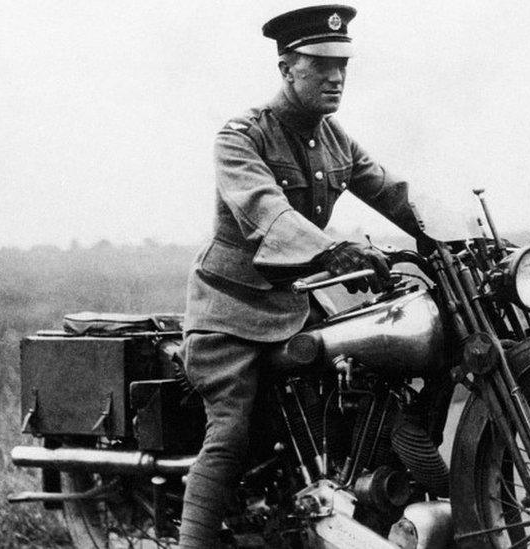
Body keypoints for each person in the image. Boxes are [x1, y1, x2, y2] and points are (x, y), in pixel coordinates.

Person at [180, 5, 426, 546]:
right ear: (287, 69)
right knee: (229, 434)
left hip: (295, 305)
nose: (335, 77)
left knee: (362, 384)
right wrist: (333, 250)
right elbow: (268, 211)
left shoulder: (333, 137)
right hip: (232, 313)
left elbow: (392, 191)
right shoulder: (241, 137)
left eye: (342, 65)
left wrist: (450, 237)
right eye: (319, 65)